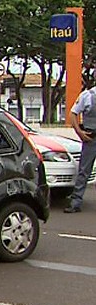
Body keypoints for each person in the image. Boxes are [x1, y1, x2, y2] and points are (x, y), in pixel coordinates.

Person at [65, 81, 96, 213]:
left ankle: (75, 202)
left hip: (90, 137)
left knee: (84, 171)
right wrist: (79, 132)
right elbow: (73, 114)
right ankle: (75, 202)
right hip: (91, 137)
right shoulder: (87, 95)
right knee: (84, 171)